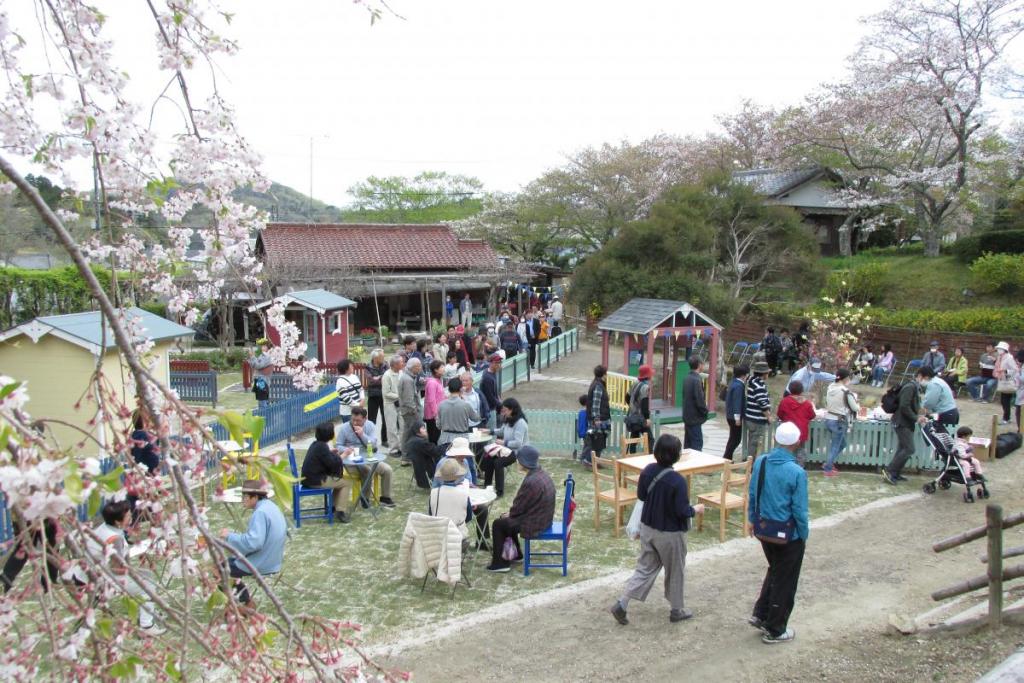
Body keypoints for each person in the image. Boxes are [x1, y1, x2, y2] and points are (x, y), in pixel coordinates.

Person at [610, 434, 704, 626]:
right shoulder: (677, 481)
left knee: (644, 569)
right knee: (676, 570)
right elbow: (681, 511)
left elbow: (642, 495)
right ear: (676, 456)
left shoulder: (647, 471)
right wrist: (695, 510)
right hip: (670, 534)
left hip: (648, 528)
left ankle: (622, 603)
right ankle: (676, 610)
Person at [747, 422, 809, 645]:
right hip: (788, 534)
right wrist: (804, 533)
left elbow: (753, 492)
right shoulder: (797, 472)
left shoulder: (762, 462)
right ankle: (775, 629)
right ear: (796, 442)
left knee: (775, 570)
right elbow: (799, 509)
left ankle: (761, 613)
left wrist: (752, 520)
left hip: (764, 530)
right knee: (786, 580)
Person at [74, 500, 165, 635]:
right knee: (147, 586)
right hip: (101, 580)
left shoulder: (105, 527)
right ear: (118, 521)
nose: (131, 517)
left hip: (91, 573)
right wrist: (135, 561)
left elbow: (119, 558)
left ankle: (148, 611)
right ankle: (146, 626)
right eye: (128, 516)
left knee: (147, 574)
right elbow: (117, 568)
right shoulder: (115, 538)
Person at [486, 446, 555, 573]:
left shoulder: (531, 481)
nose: (516, 461)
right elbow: (524, 505)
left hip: (536, 522)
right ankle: (517, 555)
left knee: (499, 524)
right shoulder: (541, 473)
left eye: (518, 459)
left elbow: (519, 507)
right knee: (508, 521)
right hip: (544, 517)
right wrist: (511, 514)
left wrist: (510, 514)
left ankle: (500, 564)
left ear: (524, 462)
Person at [219, 479, 287, 605]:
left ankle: (246, 602)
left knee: (219, 569)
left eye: (245, 497)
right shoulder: (271, 506)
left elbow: (254, 543)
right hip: (273, 558)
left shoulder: (260, 513)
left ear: (255, 497)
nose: (243, 500)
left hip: (262, 562)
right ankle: (242, 601)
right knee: (229, 562)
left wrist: (229, 536)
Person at [336, 407, 396, 508]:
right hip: (352, 461)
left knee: (387, 470)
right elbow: (338, 445)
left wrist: (362, 434)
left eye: (358, 420)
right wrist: (346, 450)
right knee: (367, 471)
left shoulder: (370, 426)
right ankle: (365, 498)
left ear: (365, 418)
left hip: (368, 457)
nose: (355, 423)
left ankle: (385, 497)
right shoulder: (345, 428)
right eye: (353, 419)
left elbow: (373, 444)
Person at [300, 422, 354, 523]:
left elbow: (324, 458)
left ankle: (333, 507)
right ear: (330, 434)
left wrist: (330, 453)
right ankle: (340, 511)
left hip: (308, 478)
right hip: (315, 480)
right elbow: (333, 464)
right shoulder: (322, 447)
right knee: (346, 483)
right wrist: (345, 454)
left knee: (340, 482)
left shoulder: (316, 444)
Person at [883, 368, 924, 484]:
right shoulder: (910, 387)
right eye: (927, 378)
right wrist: (916, 417)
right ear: (920, 376)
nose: (928, 381)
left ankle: (895, 473)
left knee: (902, 448)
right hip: (902, 422)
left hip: (906, 422)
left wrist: (921, 414)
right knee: (909, 449)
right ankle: (890, 470)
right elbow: (904, 406)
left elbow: (911, 405)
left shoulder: (914, 387)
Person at [482, 397, 529, 496]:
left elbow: (518, 443)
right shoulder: (508, 419)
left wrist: (504, 442)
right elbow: (502, 430)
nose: (504, 412)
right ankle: (487, 487)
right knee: (489, 458)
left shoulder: (520, 423)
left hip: (516, 452)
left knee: (498, 462)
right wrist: (490, 431)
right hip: (505, 449)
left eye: (505, 410)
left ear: (512, 410)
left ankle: (500, 491)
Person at [822, 369, 860, 476]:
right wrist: (858, 404)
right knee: (835, 445)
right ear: (846, 378)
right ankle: (828, 468)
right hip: (839, 420)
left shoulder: (830, 388)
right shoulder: (845, 391)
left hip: (829, 418)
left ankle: (828, 463)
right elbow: (854, 407)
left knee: (842, 444)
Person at [429, 459, 474, 541]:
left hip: (438, 536)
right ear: (458, 476)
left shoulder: (434, 492)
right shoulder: (464, 493)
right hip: (458, 537)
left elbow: (431, 514)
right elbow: (469, 517)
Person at [776, 380, 816, 467]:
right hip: (801, 431)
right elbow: (812, 415)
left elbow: (780, 415)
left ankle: (786, 466)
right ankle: (799, 468)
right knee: (800, 450)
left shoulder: (785, 402)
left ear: (790, 390)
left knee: (786, 450)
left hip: (787, 431)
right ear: (801, 390)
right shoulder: (807, 403)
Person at [437, 377, 480, 446]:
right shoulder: (465, 404)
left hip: (445, 439)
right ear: (460, 389)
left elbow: (438, 425)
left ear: (448, 389)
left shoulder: (441, 405)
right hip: (462, 439)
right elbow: (476, 418)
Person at [404, 420, 446, 489]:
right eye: (423, 428)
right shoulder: (420, 442)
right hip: (427, 473)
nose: (425, 430)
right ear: (417, 430)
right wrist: (447, 446)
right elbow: (436, 452)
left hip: (419, 470)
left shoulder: (411, 440)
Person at [744, 361, 772, 460]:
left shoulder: (752, 381)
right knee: (755, 443)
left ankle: (750, 462)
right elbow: (762, 403)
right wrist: (769, 417)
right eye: (767, 372)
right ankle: (751, 464)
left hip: (751, 417)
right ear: (764, 373)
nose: (768, 374)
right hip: (756, 419)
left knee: (752, 441)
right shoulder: (758, 385)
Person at [585, 365, 612, 465]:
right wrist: (596, 419)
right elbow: (596, 404)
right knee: (597, 440)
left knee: (598, 440)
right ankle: (590, 461)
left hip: (600, 418)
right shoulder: (598, 386)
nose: (607, 375)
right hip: (599, 419)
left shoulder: (597, 384)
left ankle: (595, 461)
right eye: (606, 373)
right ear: (603, 374)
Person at [681, 357, 709, 451]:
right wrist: (705, 411)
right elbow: (699, 399)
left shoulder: (687, 378)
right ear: (699, 365)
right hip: (694, 417)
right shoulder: (696, 380)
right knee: (697, 444)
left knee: (688, 444)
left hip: (687, 415)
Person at [398, 358, 424, 456]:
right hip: (410, 412)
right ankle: (407, 455)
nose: (420, 368)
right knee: (410, 433)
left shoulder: (409, 377)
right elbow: (408, 399)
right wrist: (414, 411)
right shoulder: (408, 379)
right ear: (413, 367)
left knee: (407, 432)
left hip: (408, 410)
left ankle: (406, 455)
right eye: (419, 366)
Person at [627, 365, 655, 453]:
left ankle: (630, 458)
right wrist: (647, 418)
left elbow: (627, 397)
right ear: (648, 375)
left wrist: (633, 406)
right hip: (640, 418)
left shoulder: (635, 383)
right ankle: (649, 457)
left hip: (632, 416)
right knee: (650, 439)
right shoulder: (645, 387)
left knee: (634, 440)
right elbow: (644, 403)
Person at [723, 365, 748, 462]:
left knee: (732, 437)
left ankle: (727, 458)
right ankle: (727, 458)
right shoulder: (739, 386)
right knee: (736, 439)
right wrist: (738, 418)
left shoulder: (733, 382)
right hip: (734, 417)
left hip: (729, 415)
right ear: (743, 375)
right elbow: (737, 402)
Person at [381, 355, 404, 457]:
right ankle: (393, 450)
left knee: (403, 426)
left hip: (401, 403)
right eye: (401, 362)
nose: (403, 364)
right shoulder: (387, 375)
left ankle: (403, 448)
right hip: (390, 404)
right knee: (392, 427)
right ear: (395, 365)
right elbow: (386, 393)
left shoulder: (401, 373)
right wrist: (399, 396)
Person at [365, 348, 387, 446]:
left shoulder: (386, 364)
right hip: (373, 396)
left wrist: (378, 378)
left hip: (384, 395)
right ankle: (370, 440)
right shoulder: (368, 367)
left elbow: (387, 377)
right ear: (375, 358)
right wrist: (380, 378)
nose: (383, 358)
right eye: (381, 356)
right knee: (371, 420)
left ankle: (385, 440)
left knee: (385, 418)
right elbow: (370, 381)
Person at [994, 341, 1020, 425]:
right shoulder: (1000, 357)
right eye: (998, 349)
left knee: (1005, 401)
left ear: (1005, 350)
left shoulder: (1009, 357)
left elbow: (1015, 369)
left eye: (1000, 349)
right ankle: (1006, 417)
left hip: (1008, 381)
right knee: (1004, 401)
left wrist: (1005, 371)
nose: (998, 350)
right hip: (1003, 380)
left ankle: (1006, 418)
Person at [423, 360, 446, 444]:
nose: (444, 369)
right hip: (432, 416)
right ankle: (433, 456)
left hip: (438, 414)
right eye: (442, 367)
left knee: (437, 436)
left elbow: (441, 396)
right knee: (434, 438)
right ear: (436, 370)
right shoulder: (432, 383)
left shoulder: (438, 380)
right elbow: (431, 401)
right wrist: (436, 415)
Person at [335, 359, 364, 424]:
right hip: (348, 412)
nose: (353, 367)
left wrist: (362, 399)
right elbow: (346, 398)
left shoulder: (354, 377)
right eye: (351, 366)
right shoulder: (340, 381)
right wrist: (358, 405)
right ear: (346, 369)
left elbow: (361, 389)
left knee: (360, 430)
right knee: (350, 432)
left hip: (359, 410)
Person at [247, 339, 275, 409]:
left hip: (262, 380)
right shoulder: (262, 355)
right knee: (261, 399)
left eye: (264, 346)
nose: (262, 347)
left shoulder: (267, 356)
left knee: (262, 400)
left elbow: (258, 365)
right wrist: (251, 357)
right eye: (262, 346)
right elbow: (254, 365)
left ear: (268, 347)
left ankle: (265, 416)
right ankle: (265, 416)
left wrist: (253, 357)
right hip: (260, 379)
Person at [480, 353, 503, 432]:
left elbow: (495, 393)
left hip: (493, 407)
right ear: (491, 363)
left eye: (500, 362)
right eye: (497, 363)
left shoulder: (491, 372)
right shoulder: (487, 378)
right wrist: (501, 405)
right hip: (489, 410)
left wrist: (499, 399)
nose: (499, 365)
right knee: (491, 433)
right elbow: (490, 397)